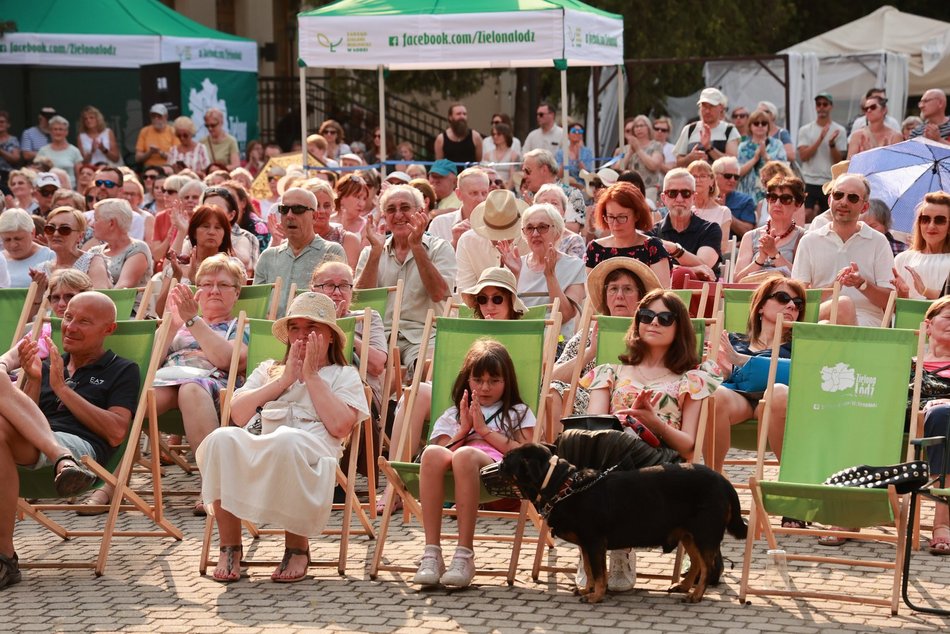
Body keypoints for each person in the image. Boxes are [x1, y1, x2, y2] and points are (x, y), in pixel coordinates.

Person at [196, 292, 369, 583]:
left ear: (329, 336)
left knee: (288, 439)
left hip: (313, 449)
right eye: (295, 328)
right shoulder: (269, 369)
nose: (302, 335)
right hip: (264, 441)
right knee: (221, 438)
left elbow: (341, 427)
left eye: (312, 328)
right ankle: (229, 547)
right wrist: (285, 380)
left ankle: (297, 548)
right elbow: (237, 414)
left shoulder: (343, 375)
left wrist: (311, 376)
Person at [81, 255, 249, 514]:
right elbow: (148, 363)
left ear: (236, 293)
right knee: (130, 403)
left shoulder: (241, 326)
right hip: (168, 382)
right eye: (206, 284)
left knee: (191, 388)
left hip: (214, 386)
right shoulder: (180, 325)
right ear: (197, 290)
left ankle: (214, 488)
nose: (214, 290)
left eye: (223, 285)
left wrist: (194, 321)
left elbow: (227, 359)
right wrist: (172, 324)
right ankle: (110, 483)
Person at [578, 290, 721, 591]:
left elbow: (689, 446)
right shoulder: (610, 372)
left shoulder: (690, 379)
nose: (653, 322)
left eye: (664, 318)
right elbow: (593, 427)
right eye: (646, 316)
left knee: (614, 458)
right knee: (597, 448)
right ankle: (599, 551)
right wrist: (625, 425)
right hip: (611, 455)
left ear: (678, 326)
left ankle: (614, 550)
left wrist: (655, 423)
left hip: (661, 461)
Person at [0, 291, 140, 590]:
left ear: (108, 329)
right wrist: (35, 380)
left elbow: (116, 432)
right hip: (37, 447)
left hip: (82, 451)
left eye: (84, 321)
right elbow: (25, 416)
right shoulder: (49, 363)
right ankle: (5, 556)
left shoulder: (122, 369)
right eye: (67, 317)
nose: (71, 326)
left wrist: (63, 390)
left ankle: (5, 556)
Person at [413, 339, 536, 588]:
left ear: (507, 381)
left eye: (494, 381)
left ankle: (464, 554)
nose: (485, 387)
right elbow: (441, 449)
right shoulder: (454, 414)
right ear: (467, 380)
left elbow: (525, 454)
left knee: (465, 455)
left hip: (498, 474)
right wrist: (464, 430)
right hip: (454, 473)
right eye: (478, 380)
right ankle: (432, 553)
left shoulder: (518, 412)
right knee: (431, 454)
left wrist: (485, 432)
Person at [356, 185, 455, 375]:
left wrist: (416, 246)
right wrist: (375, 254)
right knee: (351, 370)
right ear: (384, 216)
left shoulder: (439, 248)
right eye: (391, 210)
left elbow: (438, 294)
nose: (398, 215)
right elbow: (359, 302)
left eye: (405, 208)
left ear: (420, 212)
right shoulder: (371, 251)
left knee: (432, 371)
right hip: (379, 338)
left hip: (422, 337)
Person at [710, 275, 805, 473]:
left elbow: (798, 373)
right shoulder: (734, 340)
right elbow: (715, 378)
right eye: (782, 298)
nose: (791, 306)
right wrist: (726, 373)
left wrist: (742, 361)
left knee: (778, 391)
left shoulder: (800, 345)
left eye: (797, 303)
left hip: (775, 408)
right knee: (716, 395)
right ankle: (715, 477)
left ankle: (788, 477)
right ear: (761, 306)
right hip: (740, 403)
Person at [549, 257, 661, 420]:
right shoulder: (589, 335)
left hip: (635, 405)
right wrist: (590, 352)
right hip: (586, 410)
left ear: (641, 298)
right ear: (605, 297)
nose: (619, 296)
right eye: (613, 289)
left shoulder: (653, 335)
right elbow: (552, 378)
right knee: (554, 389)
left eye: (628, 289)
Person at [791, 173, 893, 326]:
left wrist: (862, 284)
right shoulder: (809, 241)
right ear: (830, 199)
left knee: (829, 321)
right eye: (838, 195)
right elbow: (797, 298)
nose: (843, 202)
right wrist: (833, 288)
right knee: (840, 308)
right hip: (821, 314)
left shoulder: (879, 242)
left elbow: (890, 301)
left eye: (852, 198)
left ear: (864, 206)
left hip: (866, 323)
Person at [254, 187, 346, 316]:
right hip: (270, 332)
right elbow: (256, 309)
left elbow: (338, 305)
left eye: (298, 210)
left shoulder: (331, 252)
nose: (290, 215)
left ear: (314, 216)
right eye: (284, 210)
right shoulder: (268, 257)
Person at [310, 260, 387, 411]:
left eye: (344, 285)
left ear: (352, 290)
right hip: (310, 394)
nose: (337, 292)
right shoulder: (303, 321)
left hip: (357, 399)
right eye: (329, 285)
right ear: (314, 290)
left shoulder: (367, 318)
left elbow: (377, 366)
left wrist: (341, 329)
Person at [504, 203, 585, 336]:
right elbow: (505, 314)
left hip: (557, 344)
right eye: (529, 228)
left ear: (557, 232)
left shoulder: (574, 266)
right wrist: (516, 275)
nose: (535, 234)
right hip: (519, 339)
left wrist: (550, 275)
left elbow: (564, 316)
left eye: (542, 227)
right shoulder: (517, 265)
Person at [911, 296, 950, 555]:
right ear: (928, 325)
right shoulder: (908, 361)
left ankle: (942, 523)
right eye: (948, 317)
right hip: (907, 418)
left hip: (944, 421)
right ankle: (855, 511)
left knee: (943, 414)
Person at [585, 182, 671, 287]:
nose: (615, 224)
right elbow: (590, 294)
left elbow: (662, 295)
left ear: (637, 215)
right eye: (611, 217)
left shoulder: (653, 248)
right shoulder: (595, 249)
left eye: (622, 217)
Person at [653, 169, 722, 285]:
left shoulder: (710, 229)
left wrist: (675, 249)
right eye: (672, 193)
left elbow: (705, 267)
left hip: (701, 299)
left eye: (686, 193)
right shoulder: (652, 233)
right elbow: (647, 267)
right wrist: (691, 270)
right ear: (664, 198)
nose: (679, 199)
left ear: (694, 197)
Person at [734, 176, 806, 282]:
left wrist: (774, 254)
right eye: (772, 197)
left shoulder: (804, 238)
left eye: (785, 199)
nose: (777, 204)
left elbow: (801, 281)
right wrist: (760, 259)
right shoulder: (750, 236)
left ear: (798, 204)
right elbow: (737, 281)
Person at [88, 198, 153, 315]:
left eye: (96, 219)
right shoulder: (95, 251)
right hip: (96, 314)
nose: (92, 224)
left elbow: (123, 288)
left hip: (131, 317)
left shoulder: (137, 248)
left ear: (111, 223)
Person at [797, 93, 847, 219]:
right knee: (807, 215)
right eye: (818, 104)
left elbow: (838, 161)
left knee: (830, 218)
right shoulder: (805, 130)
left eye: (825, 104)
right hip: (809, 181)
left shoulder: (839, 130)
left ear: (831, 107)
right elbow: (803, 156)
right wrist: (820, 138)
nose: (821, 107)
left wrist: (831, 144)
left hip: (830, 182)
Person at [892, 192, 950, 300]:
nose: (931, 226)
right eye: (925, 219)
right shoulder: (902, 259)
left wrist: (925, 291)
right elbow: (894, 307)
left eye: (940, 220)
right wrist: (903, 294)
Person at [37, 206, 111, 288]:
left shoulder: (92, 262)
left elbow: (99, 297)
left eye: (64, 229)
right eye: (50, 228)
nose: (56, 234)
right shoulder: (42, 269)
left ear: (80, 236)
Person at [521, 149, 587, 234]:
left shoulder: (572, 194)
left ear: (544, 170)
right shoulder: (527, 196)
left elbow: (572, 230)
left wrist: (535, 210)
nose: (524, 176)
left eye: (527, 171)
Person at [674, 88, 740, 167]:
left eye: (711, 106)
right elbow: (677, 162)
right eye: (704, 106)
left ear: (721, 108)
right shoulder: (689, 129)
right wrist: (689, 158)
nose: (707, 111)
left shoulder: (729, 130)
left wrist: (709, 148)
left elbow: (732, 163)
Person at [426, 167, 489, 248]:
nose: (480, 199)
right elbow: (431, 259)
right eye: (474, 193)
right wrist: (454, 243)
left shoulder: (498, 224)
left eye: (484, 193)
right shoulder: (440, 223)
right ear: (459, 194)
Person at [737, 110, 787, 203]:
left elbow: (784, 171)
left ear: (768, 127)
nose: (760, 126)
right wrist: (755, 159)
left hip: (772, 194)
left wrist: (765, 156)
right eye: (756, 123)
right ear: (750, 126)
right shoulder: (743, 147)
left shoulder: (777, 144)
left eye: (763, 123)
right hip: (747, 194)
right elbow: (738, 172)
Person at [613, 116, 663, 203]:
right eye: (636, 126)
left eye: (641, 126)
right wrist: (629, 153)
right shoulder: (624, 149)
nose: (638, 129)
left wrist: (639, 150)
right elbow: (617, 170)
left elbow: (654, 165)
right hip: (628, 190)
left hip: (649, 189)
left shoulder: (656, 145)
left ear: (648, 128)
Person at [0, 208, 53, 287]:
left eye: (18, 239)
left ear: (32, 232)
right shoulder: (1, 259)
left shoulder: (50, 257)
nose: (13, 244)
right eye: (7, 240)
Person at [689, 160, 733, 254]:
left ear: (712, 180)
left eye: (703, 176)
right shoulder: (683, 208)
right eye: (694, 176)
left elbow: (722, 247)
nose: (698, 180)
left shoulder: (723, 211)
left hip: (710, 262)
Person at [534, 183, 585, 259]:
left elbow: (574, 269)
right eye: (544, 202)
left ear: (563, 211)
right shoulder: (530, 237)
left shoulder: (574, 241)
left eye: (554, 203)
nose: (549, 206)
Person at [713, 156, 755, 238]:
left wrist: (725, 212)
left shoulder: (745, 200)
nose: (732, 180)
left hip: (733, 249)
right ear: (715, 176)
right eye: (728, 176)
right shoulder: (703, 197)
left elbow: (748, 233)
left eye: (736, 177)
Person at [36, 116, 82, 188]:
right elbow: (37, 173)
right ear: (50, 131)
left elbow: (79, 176)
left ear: (66, 132)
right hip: (48, 191)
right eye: (55, 129)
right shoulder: (43, 151)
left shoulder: (74, 151)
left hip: (69, 190)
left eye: (61, 129)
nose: (58, 132)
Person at [482, 122, 519, 191]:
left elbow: (513, 176)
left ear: (506, 135)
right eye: (493, 134)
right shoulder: (487, 155)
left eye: (498, 134)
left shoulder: (513, 155)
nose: (495, 136)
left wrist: (506, 190)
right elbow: (485, 175)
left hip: (507, 189)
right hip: (490, 189)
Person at [555, 121, 594, 185]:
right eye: (574, 131)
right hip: (566, 186)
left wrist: (578, 156)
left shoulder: (587, 152)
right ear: (568, 135)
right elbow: (558, 176)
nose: (577, 133)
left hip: (583, 186)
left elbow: (587, 175)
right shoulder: (561, 153)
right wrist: (565, 158)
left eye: (580, 132)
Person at [0, 111, 21, 191]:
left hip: (7, 175)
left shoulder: (12, 140)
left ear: (8, 124)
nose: (0, 124)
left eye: (2, 122)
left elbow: (15, 158)